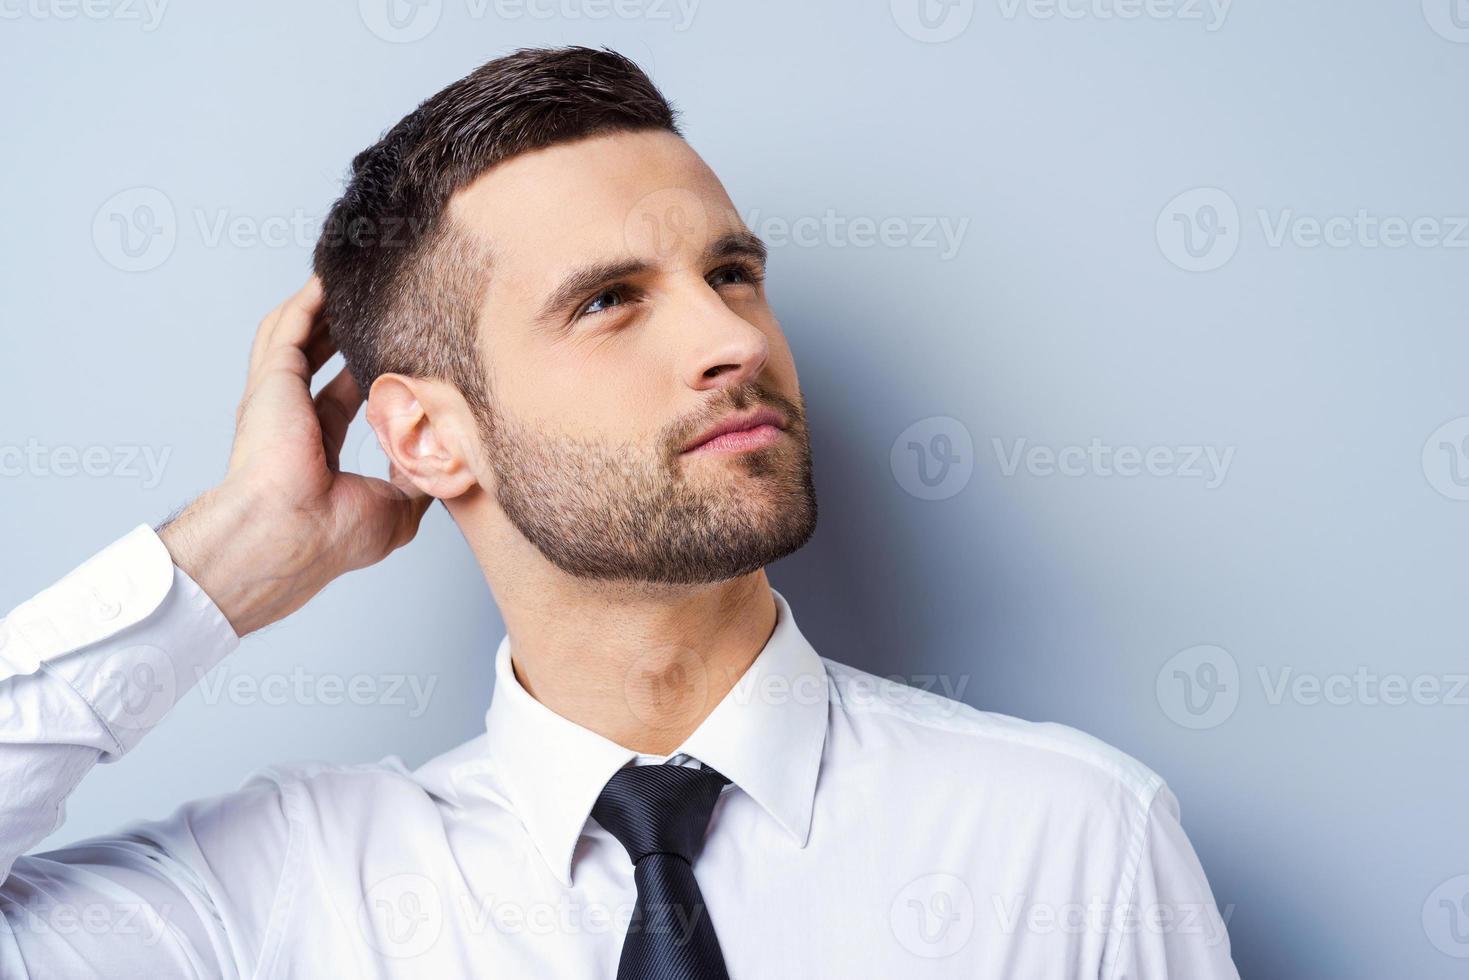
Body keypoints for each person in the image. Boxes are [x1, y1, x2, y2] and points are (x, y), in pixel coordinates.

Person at [0, 46, 1239, 978]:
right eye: (607, 300)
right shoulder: (285, 895)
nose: (729, 339)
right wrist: (235, 552)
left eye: (731, 274)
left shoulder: (1068, 837)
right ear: (426, 436)